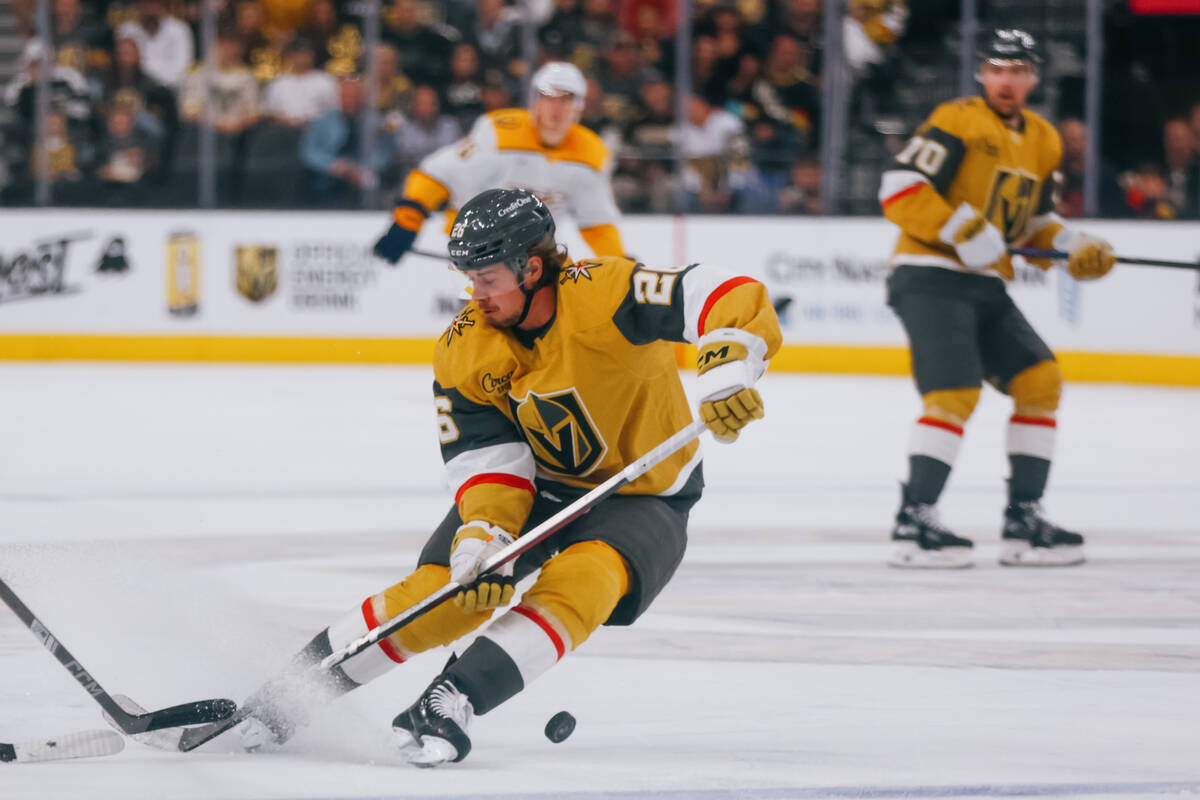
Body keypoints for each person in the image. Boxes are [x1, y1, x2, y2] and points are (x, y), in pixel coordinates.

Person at [229, 188, 781, 766]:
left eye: (488, 278)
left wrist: (726, 373)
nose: (476, 293)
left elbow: (722, 292)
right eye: (469, 277)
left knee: (587, 579)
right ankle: (284, 698)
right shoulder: (464, 349)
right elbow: (488, 455)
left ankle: (452, 698)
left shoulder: (606, 292)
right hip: (541, 488)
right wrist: (485, 536)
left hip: (643, 491)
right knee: (447, 594)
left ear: (533, 267)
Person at [876, 28, 1117, 569]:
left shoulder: (1044, 139)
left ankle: (1023, 517)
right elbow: (898, 187)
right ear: (982, 73)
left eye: (1018, 70)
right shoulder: (956, 119)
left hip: (985, 284)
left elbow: (1031, 225)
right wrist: (959, 227)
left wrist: (1074, 245)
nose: (1006, 80)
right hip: (930, 275)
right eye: (997, 69)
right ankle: (914, 520)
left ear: (1033, 77)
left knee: (1041, 382)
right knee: (954, 395)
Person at [372, 61, 627, 265]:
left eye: (566, 99)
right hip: (475, 239)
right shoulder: (499, 133)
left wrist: (619, 265)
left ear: (580, 106)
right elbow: (437, 173)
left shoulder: (591, 152)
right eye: (548, 97)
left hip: (532, 248)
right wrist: (407, 222)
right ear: (534, 101)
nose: (556, 108)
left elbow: (597, 223)